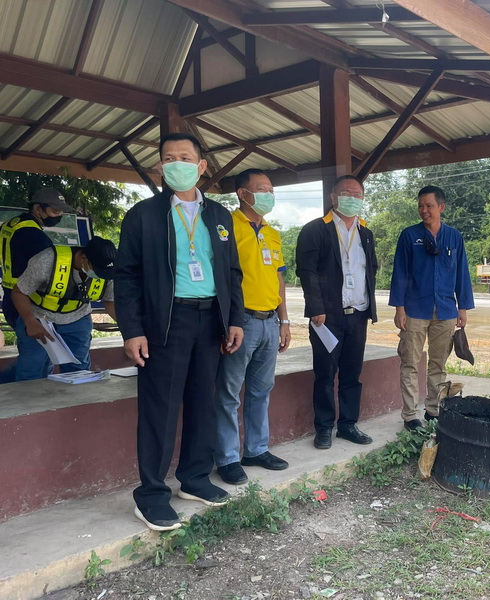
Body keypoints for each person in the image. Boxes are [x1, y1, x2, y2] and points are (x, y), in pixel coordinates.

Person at [115, 132, 244, 532]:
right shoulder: (143, 215)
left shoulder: (219, 215)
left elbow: (232, 273)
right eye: (169, 158)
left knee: (204, 402)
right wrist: (132, 329)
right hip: (165, 323)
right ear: (160, 166)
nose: (177, 164)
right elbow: (126, 276)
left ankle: (194, 478)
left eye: (185, 157)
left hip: (210, 321)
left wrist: (234, 319)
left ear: (201, 166)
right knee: (161, 408)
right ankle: (151, 495)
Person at [214, 169, 291, 486]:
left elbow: (279, 278)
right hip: (240, 321)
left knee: (261, 390)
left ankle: (256, 450)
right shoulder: (227, 227)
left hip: (270, 321)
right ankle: (227, 458)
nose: (268, 195)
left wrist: (284, 320)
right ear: (243, 194)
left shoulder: (273, 233)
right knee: (229, 393)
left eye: (271, 190)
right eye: (262, 189)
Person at [295, 175, 378, 450]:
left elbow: (371, 270)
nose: (353, 198)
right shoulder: (316, 229)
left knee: (352, 374)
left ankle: (348, 425)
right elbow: (307, 272)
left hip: (358, 314)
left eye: (358, 194)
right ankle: (323, 428)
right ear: (333, 197)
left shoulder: (366, 233)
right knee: (325, 374)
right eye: (346, 193)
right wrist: (316, 308)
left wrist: (369, 308)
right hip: (327, 318)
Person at [389, 185, 474, 431]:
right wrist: (399, 308)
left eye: (429, 206)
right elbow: (400, 273)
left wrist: (463, 308)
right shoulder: (409, 236)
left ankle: (433, 410)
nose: (424, 210)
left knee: (438, 364)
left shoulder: (454, 237)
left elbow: (462, 273)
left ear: (441, 207)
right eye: (420, 206)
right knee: (410, 363)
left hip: (446, 310)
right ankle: (410, 416)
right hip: (415, 310)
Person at [11, 237, 116, 380]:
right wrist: (29, 321)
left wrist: (129, 329)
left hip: (77, 318)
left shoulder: (107, 271)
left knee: (79, 372)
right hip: (38, 318)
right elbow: (19, 292)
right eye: (97, 270)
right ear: (84, 258)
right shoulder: (46, 260)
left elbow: (110, 301)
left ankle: (75, 395)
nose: (100, 276)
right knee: (31, 368)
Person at [1, 188, 72, 327]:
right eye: (56, 211)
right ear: (38, 209)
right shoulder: (35, 236)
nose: (60, 215)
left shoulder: (12, 224)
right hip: (26, 299)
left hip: (9, 295)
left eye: (62, 212)